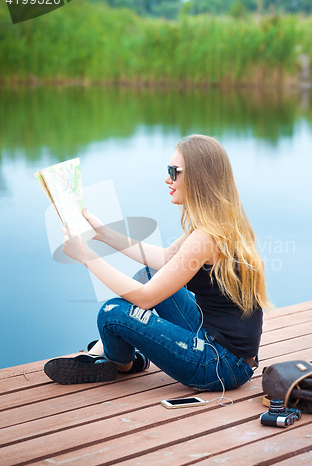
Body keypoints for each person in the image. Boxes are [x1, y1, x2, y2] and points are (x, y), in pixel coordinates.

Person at [44, 134, 271, 392]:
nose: (167, 179)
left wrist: (87, 256)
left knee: (112, 314)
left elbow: (146, 299)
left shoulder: (206, 237)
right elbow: (164, 259)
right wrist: (104, 234)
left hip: (220, 365)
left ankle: (120, 361)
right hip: (222, 349)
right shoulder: (218, 222)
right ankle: (116, 356)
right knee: (152, 273)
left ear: (199, 177)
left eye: (174, 172)